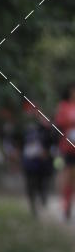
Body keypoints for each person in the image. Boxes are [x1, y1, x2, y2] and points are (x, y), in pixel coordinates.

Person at [18, 101, 54, 216]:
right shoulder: (24, 127)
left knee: (41, 182)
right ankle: (33, 206)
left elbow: (51, 140)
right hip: (28, 161)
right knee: (30, 184)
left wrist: (47, 151)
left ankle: (42, 200)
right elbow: (19, 142)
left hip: (41, 161)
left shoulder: (45, 126)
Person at [54, 82, 75, 219]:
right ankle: (66, 206)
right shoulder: (64, 106)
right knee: (67, 178)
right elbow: (59, 123)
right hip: (68, 148)